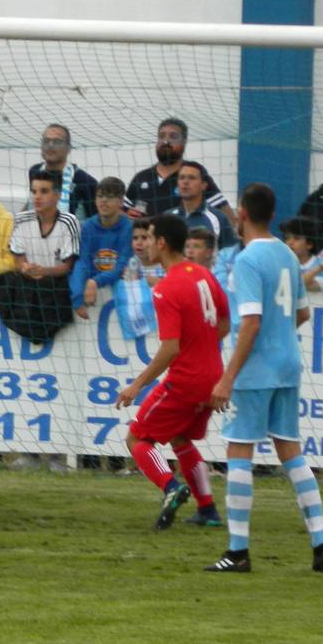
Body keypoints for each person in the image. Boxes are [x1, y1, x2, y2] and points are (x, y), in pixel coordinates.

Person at [206, 183, 323, 573]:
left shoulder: (247, 260)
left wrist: (227, 377)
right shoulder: (287, 254)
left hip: (257, 370)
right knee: (291, 452)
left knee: (239, 452)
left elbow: (250, 323)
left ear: (242, 214)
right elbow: (302, 314)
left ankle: (238, 551)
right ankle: (321, 544)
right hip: (288, 365)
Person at [115, 214, 229, 531]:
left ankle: (170, 487)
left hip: (186, 380)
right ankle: (207, 509)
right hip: (212, 379)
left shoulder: (166, 288)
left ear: (162, 243)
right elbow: (224, 324)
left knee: (137, 437)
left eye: (149, 237)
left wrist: (136, 386)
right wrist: (202, 347)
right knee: (180, 438)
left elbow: (170, 349)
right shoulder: (205, 276)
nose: (145, 243)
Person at [0, 169, 80, 344]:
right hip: (27, 292)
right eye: (33, 192)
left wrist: (44, 271)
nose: (37, 197)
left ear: (57, 195)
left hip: (55, 294)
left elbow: (67, 266)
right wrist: (25, 267)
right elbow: (18, 259)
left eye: (44, 191)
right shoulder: (20, 220)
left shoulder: (69, 222)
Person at [124, 118, 233, 223]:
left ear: (184, 142)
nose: (166, 141)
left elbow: (226, 214)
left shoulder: (194, 172)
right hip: (148, 240)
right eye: (161, 136)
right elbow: (120, 211)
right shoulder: (141, 177)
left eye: (173, 136)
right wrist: (126, 215)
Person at [69, 177, 133, 320]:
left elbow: (122, 266)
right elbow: (82, 262)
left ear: (121, 201)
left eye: (110, 197)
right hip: (91, 299)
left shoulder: (129, 229)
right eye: (99, 196)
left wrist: (95, 282)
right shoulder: (87, 227)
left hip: (118, 296)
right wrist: (77, 296)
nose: (103, 200)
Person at [27, 124, 97, 221]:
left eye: (57, 142)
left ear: (69, 148)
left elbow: (95, 222)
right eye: (46, 141)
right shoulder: (34, 171)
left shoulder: (85, 181)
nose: (50, 146)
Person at [165, 161, 237, 249]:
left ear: (204, 185)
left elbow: (229, 256)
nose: (185, 182)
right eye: (181, 178)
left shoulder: (218, 218)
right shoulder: (167, 217)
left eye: (191, 178)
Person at [114, 218, 162, 340]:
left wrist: (149, 281)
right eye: (135, 238)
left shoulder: (163, 263)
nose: (139, 242)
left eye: (144, 238)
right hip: (145, 330)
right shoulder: (131, 263)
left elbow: (173, 286)